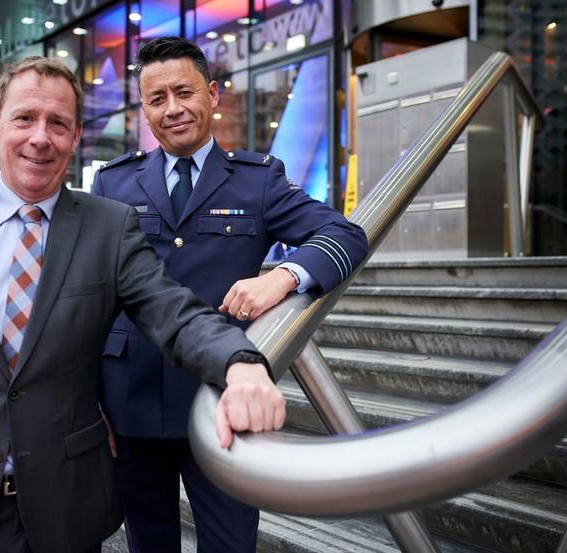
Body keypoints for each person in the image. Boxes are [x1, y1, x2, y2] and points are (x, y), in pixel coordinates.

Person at [0, 56, 286, 553]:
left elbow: (173, 311)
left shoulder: (110, 228)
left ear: (76, 135)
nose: (40, 138)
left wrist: (240, 362)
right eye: (24, 118)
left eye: (58, 124)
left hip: (66, 515)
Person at [93, 37, 368, 553]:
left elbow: (346, 235)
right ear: (144, 111)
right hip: (131, 402)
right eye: (157, 99)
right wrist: (90, 401)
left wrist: (282, 277)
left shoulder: (256, 181)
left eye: (184, 92)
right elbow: (92, 299)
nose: (172, 109)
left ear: (213, 94)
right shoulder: (114, 183)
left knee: (231, 544)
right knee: (148, 545)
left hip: (224, 399)